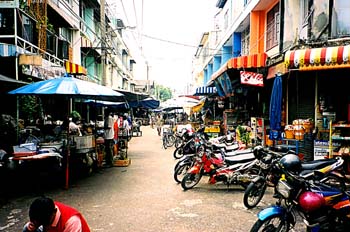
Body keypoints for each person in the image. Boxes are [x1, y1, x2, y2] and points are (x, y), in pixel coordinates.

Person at [22, 196, 90, 232]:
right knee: (27, 228)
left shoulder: (72, 221)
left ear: (54, 212)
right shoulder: (45, 208)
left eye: (46, 223)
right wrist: (34, 225)